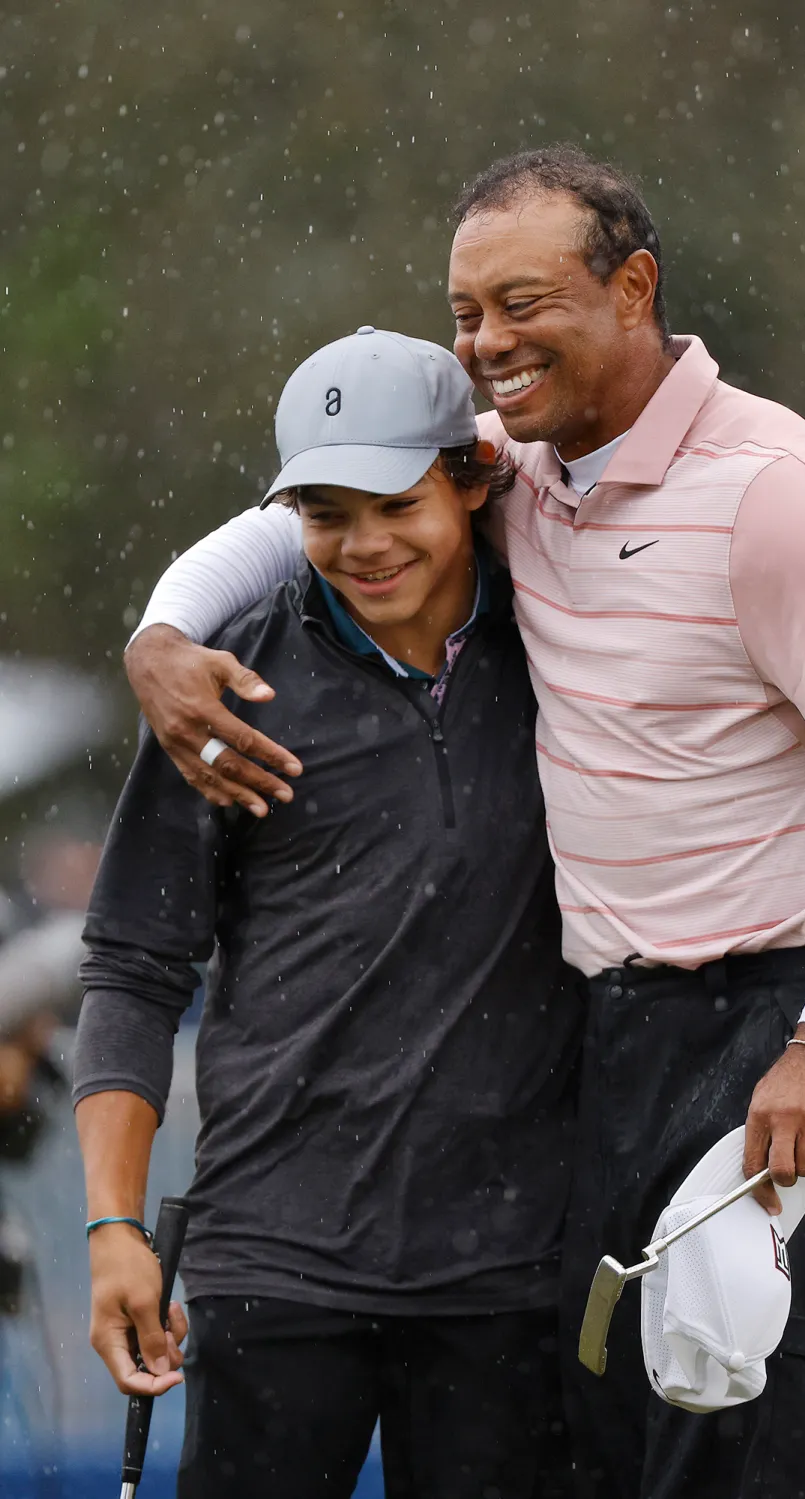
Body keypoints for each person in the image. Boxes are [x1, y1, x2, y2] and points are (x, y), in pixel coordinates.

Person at [120, 147, 805, 1499]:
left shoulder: (780, 493)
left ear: (632, 288)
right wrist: (162, 636)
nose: (487, 343)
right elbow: (291, 524)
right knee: (620, 1463)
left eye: (523, 302)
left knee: (779, 1451)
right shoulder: (520, 468)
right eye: (466, 312)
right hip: (623, 1043)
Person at [73, 329, 581, 1499]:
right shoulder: (224, 681)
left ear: (468, 477)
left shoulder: (570, 642)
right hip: (276, 1260)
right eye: (323, 510)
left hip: (511, 1273)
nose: (363, 544)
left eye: (394, 502)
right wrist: (112, 1228)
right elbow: (133, 968)